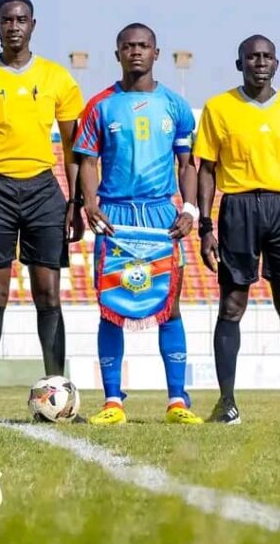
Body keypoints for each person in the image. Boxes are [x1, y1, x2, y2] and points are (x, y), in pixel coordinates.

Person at [0, 0, 85, 423]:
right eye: (7, 20)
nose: (14, 26)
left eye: (21, 19)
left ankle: (59, 396)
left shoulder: (56, 78)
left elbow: (73, 146)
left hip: (44, 190)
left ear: (33, 25)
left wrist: (76, 201)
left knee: (48, 295)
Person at [195, 35, 280, 424]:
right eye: (251, 56)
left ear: (276, 64)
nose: (260, 62)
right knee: (232, 306)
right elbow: (206, 170)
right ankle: (226, 402)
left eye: (266, 56)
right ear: (239, 64)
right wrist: (205, 226)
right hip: (237, 208)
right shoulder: (218, 108)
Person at [75, 24, 204, 425]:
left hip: (162, 216)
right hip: (116, 217)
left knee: (171, 306)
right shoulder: (100, 106)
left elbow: (187, 164)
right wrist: (91, 204)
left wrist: (191, 209)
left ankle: (177, 401)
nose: (136, 52)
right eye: (128, 46)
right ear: (117, 54)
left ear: (156, 53)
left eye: (143, 46)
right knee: (110, 307)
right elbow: (87, 162)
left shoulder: (176, 106)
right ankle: (113, 401)